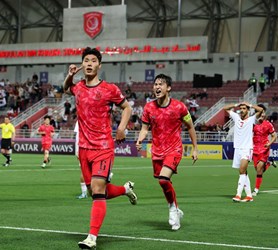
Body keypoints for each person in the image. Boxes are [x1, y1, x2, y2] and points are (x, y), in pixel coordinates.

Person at [63, 47, 137, 249]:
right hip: (84, 148)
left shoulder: (109, 89)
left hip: (103, 146)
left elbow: (127, 108)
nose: (88, 63)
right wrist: (69, 76)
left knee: (96, 190)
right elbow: (65, 88)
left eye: (93, 60)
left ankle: (92, 238)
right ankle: (125, 189)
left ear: (99, 65)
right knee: (96, 191)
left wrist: (121, 128)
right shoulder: (77, 87)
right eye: (85, 60)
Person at [135, 73, 198, 231]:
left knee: (164, 179)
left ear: (168, 88)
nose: (157, 87)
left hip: (174, 149)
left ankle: (172, 209)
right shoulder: (149, 108)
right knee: (163, 182)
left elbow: (190, 127)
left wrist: (195, 148)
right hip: (157, 151)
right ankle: (175, 208)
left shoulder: (179, 107)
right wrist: (140, 139)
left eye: (161, 84)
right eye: (155, 84)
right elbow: (144, 128)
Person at [223, 102, 263, 202]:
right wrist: (236, 104)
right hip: (237, 149)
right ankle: (249, 195)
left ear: (248, 110)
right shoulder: (236, 117)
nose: (242, 110)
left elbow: (261, 110)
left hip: (247, 149)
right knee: (243, 172)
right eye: (241, 108)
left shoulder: (251, 119)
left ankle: (238, 194)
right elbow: (225, 108)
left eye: (244, 108)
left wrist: (249, 104)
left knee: (241, 171)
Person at [252, 104, 277, 196]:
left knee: (259, 169)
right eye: (261, 113)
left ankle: (256, 190)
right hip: (255, 149)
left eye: (264, 112)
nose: (263, 114)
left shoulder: (268, 124)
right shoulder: (253, 124)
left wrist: (269, 144)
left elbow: (275, 136)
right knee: (258, 169)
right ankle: (269, 163)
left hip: (264, 148)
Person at [74, 121, 88, 199]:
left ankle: (84, 193)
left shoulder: (80, 120)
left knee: (83, 171)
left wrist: (77, 151)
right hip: (89, 148)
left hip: (83, 149)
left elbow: (77, 137)